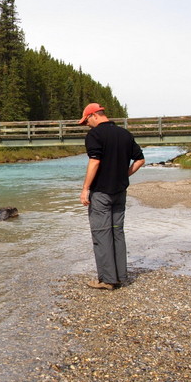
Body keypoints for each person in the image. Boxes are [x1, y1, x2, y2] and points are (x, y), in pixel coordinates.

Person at [78, 103, 145, 290]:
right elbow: (140, 159)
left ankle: (107, 280)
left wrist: (85, 188)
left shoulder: (95, 135)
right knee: (117, 231)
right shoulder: (124, 134)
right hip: (120, 193)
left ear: (94, 116)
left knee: (101, 233)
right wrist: (123, 175)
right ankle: (120, 276)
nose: (87, 125)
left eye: (86, 121)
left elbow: (95, 161)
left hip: (101, 193)